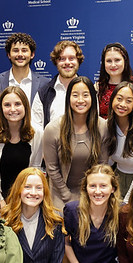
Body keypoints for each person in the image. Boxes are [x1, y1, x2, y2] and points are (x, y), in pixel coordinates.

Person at [64, 165, 123, 263]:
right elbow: (66, 241)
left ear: (113, 188)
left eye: (103, 186)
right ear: (85, 188)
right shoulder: (72, 210)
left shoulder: (122, 211)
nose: (98, 191)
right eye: (92, 186)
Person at [42, 76, 108, 208]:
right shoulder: (53, 129)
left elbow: (102, 165)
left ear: (92, 98)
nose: (80, 100)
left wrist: (91, 193)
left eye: (85, 95)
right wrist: (66, 195)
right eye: (75, 95)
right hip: (60, 192)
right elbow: (52, 168)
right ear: (68, 98)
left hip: (94, 191)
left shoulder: (102, 126)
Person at [0, 86, 43, 200]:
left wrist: (26, 201)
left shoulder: (38, 133)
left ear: (25, 107)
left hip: (26, 198)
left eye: (17, 104)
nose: (13, 109)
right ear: (0, 108)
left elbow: (35, 169)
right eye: (7, 105)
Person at [103, 82, 133, 195]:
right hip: (115, 178)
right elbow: (107, 163)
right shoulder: (107, 125)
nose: (122, 104)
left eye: (129, 101)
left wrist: (127, 200)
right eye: (119, 99)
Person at [31, 40, 83, 128]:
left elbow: (94, 122)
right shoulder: (44, 93)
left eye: (71, 58)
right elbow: (36, 127)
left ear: (78, 61)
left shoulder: (89, 91)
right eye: (62, 59)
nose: (67, 62)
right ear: (56, 62)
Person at [0, 32, 49, 107]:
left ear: (32, 54)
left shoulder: (45, 83)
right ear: (9, 55)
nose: (20, 54)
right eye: (15, 50)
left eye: (24, 50)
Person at [96, 42, 133, 118]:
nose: (113, 65)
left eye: (117, 60)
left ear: (125, 61)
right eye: (109, 61)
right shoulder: (97, 87)